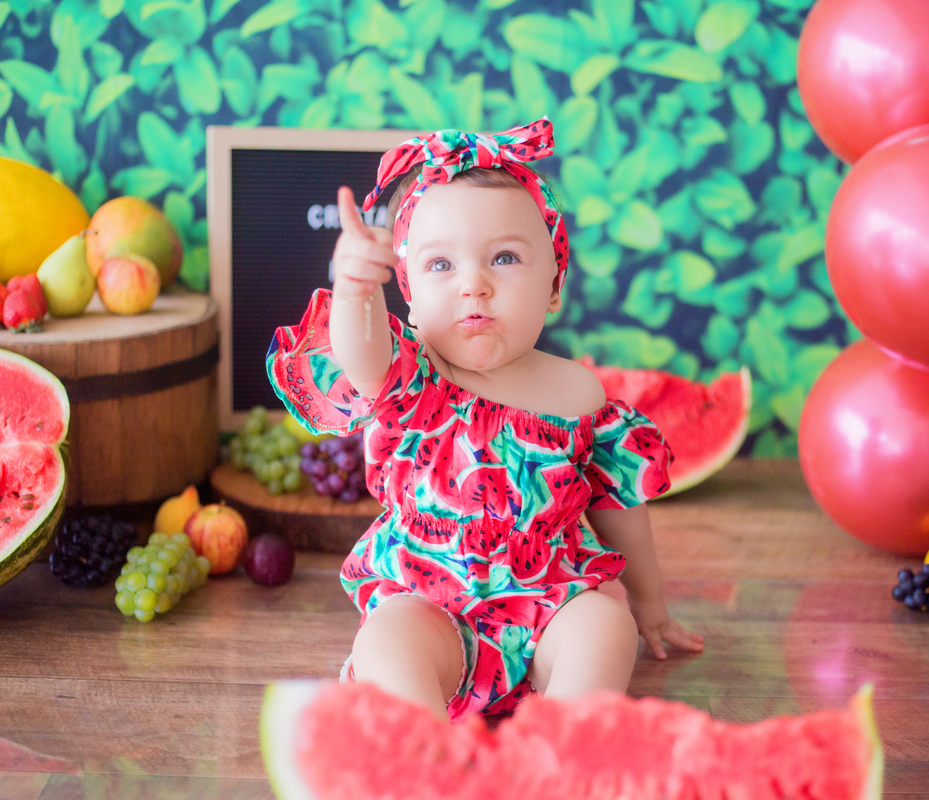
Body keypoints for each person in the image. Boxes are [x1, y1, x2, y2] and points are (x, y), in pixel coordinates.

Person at [267, 118, 703, 722]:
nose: (474, 284)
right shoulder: (409, 378)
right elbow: (358, 353)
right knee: (388, 643)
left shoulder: (579, 395)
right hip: (430, 599)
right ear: (410, 296)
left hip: (551, 596)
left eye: (504, 257)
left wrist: (650, 605)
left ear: (554, 284)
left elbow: (616, 507)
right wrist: (354, 290)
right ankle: (429, 753)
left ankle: (562, 745)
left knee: (606, 625)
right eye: (441, 265)